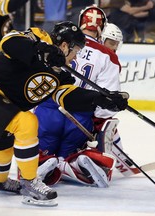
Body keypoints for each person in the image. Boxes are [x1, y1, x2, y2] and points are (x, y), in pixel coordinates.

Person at [0, 21, 128, 206]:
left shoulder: (60, 74)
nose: (74, 59)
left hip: (6, 111)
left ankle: (0, 181)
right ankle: (30, 182)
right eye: (76, 52)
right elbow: (9, 41)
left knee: (3, 148)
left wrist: (101, 98)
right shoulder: (40, 37)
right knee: (27, 122)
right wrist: (45, 51)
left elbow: (67, 97)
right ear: (65, 46)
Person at [35, 5, 127, 187]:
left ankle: (43, 163)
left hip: (48, 110)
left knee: (39, 153)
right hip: (80, 116)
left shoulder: (56, 44)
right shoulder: (108, 56)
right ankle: (74, 162)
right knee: (70, 153)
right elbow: (105, 106)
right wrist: (96, 124)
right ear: (101, 29)